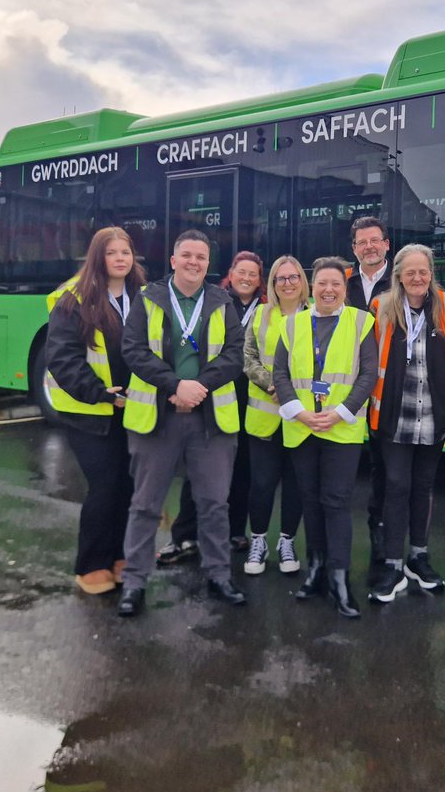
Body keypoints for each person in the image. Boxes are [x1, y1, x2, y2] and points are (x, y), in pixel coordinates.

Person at [117, 230, 247, 617]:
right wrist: (174, 385)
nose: (194, 262)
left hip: (209, 420)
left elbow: (235, 354)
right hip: (158, 417)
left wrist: (198, 388)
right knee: (144, 505)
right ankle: (135, 583)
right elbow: (133, 349)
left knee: (213, 504)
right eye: (187, 255)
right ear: (173, 261)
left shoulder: (222, 302)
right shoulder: (149, 299)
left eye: (201, 257)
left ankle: (219, 574)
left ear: (209, 265)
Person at [273, 257, 378, 618]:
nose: (328, 290)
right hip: (302, 425)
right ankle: (315, 568)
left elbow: (368, 374)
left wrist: (340, 412)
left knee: (335, 501)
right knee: (310, 500)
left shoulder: (363, 322)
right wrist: (298, 411)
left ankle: (339, 577)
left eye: (335, 283)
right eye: (322, 284)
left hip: (341, 428)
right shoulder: (291, 324)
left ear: (344, 288)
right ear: (311, 287)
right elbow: (280, 374)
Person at [45, 227, 146, 595]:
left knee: (127, 486)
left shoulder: (144, 296)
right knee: (104, 486)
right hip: (91, 413)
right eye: (112, 252)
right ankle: (90, 565)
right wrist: (99, 393)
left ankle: (119, 556)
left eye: (126, 252)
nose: (120, 258)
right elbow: (61, 357)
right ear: (97, 257)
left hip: (133, 411)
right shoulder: (73, 300)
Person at [366, 244, 445, 603]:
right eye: (411, 272)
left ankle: (418, 557)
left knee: (423, 486)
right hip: (394, 414)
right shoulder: (381, 308)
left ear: (431, 274)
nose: (418, 278)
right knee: (395, 485)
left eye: (424, 272)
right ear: (399, 276)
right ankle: (392, 563)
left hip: (433, 415)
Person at [241, 255, 309, 575]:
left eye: (293, 277)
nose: (288, 283)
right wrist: (273, 384)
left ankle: (286, 541)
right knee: (262, 483)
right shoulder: (259, 315)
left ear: (302, 280)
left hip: (301, 418)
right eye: (281, 279)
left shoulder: (315, 315)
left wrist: (293, 392)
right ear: (272, 283)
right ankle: (258, 540)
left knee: (295, 483)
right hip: (265, 415)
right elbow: (249, 358)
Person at [344, 216, 392, 569]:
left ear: (387, 244)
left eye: (375, 241)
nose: (369, 247)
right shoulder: (342, 284)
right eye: (362, 242)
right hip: (345, 387)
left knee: (384, 465)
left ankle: (380, 530)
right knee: (342, 466)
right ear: (354, 248)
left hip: (388, 387)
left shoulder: (402, 279)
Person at [221, 251, 266, 551]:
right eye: (242, 272)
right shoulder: (216, 303)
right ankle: (196, 532)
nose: (246, 278)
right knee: (213, 467)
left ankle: (236, 530)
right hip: (219, 394)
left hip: (250, 396)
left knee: (243, 468)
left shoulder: (266, 309)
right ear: (232, 273)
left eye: (253, 274)